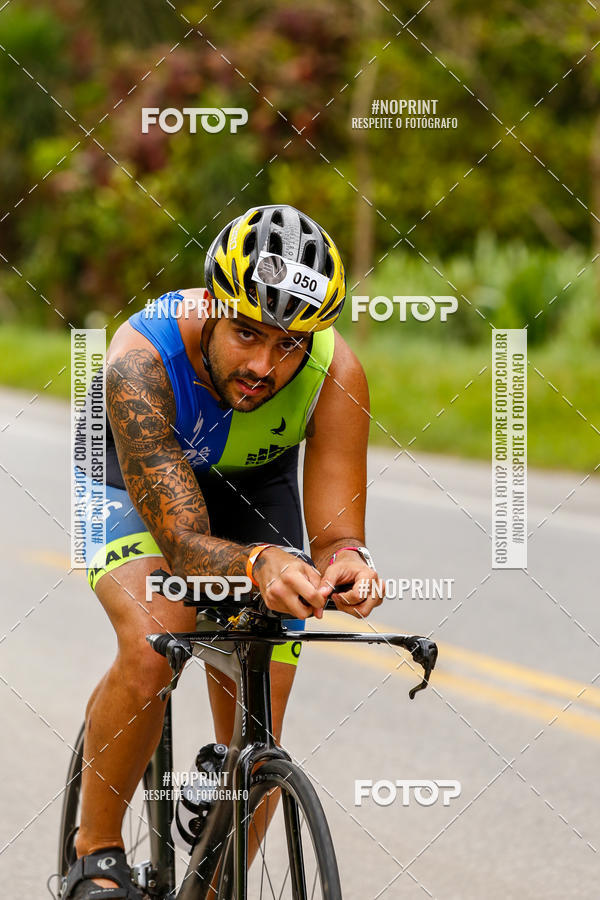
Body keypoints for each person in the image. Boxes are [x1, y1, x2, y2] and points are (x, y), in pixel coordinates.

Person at [62, 204, 383, 898]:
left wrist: (347, 564)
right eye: (246, 333)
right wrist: (258, 565)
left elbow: (335, 537)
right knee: (159, 634)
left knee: (267, 670)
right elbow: (179, 543)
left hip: (251, 484)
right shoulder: (140, 361)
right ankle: (97, 856)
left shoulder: (337, 374)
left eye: (291, 343)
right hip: (133, 472)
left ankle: (216, 853)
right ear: (212, 306)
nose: (266, 366)